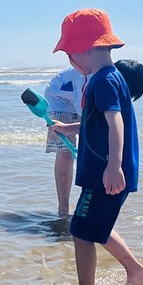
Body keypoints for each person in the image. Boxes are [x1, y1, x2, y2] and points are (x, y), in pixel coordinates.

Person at [50, 9, 143, 285]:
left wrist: (113, 166)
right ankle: (136, 271)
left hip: (104, 175)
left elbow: (115, 122)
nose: (69, 59)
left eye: (69, 52)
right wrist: (69, 127)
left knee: (81, 230)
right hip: (104, 172)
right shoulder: (110, 77)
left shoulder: (104, 80)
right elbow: (98, 121)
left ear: (85, 50)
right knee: (94, 225)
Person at [42, 66, 85, 216]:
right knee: (66, 153)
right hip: (58, 99)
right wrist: (69, 128)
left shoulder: (108, 76)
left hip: (77, 100)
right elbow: (87, 119)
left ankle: (89, 201)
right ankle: (63, 209)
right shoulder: (85, 76)